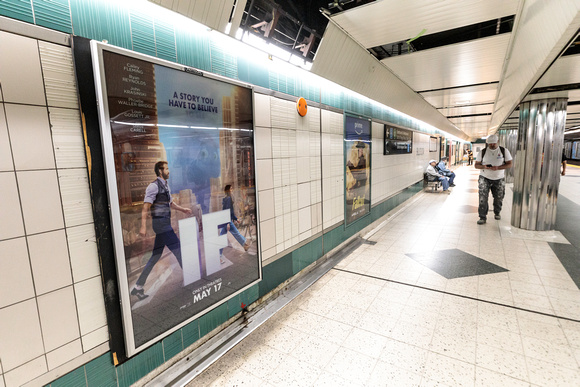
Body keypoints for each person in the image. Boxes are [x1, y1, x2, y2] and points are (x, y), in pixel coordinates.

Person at [131, 161, 192, 300]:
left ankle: (138, 287)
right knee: (178, 249)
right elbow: (146, 207)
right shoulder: (153, 186)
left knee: (155, 257)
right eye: (166, 169)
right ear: (160, 171)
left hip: (164, 224)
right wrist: (143, 226)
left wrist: (183, 209)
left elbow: (170, 203)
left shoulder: (165, 185)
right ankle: (190, 277)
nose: (169, 171)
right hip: (161, 225)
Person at [474, 135, 513, 224]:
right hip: (484, 177)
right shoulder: (483, 152)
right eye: (490, 143)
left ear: (497, 141)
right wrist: (484, 166)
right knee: (482, 198)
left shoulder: (504, 151)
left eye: (493, 143)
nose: (491, 145)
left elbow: (509, 164)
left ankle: (497, 211)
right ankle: (482, 217)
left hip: (499, 178)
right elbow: (476, 165)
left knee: (498, 197)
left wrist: (498, 168)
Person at [219, 185, 251, 263]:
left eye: (232, 188)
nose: (232, 189)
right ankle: (244, 244)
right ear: (228, 190)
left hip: (227, 220)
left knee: (224, 236)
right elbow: (226, 211)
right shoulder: (228, 199)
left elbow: (231, 212)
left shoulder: (229, 198)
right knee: (232, 234)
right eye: (231, 188)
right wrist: (227, 223)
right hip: (227, 221)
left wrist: (236, 219)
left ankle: (245, 245)